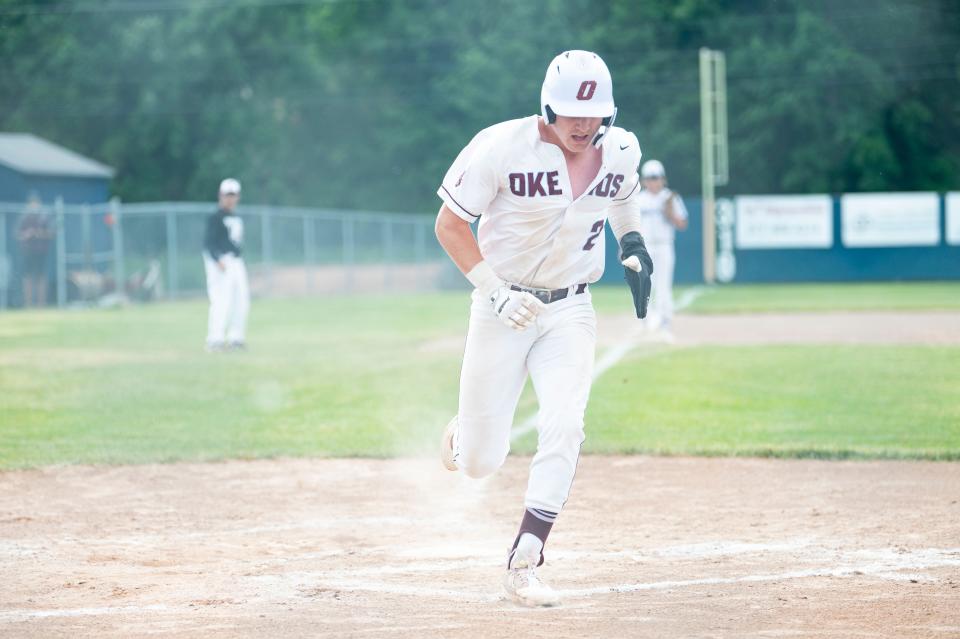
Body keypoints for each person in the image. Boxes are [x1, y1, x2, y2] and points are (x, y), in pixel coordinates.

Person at [434, 50, 653, 607]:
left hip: (571, 308)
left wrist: (632, 244)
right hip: (501, 305)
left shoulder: (621, 151)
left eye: (595, 113)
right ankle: (464, 434)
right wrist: (495, 290)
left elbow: (625, 202)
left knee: (565, 422)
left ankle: (526, 557)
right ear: (548, 107)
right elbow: (450, 223)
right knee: (482, 463)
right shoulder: (500, 146)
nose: (583, 125)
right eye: (572, 113)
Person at [636, 159, 688, 336]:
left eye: (656, 177)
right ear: (643, 180)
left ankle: (665, 322)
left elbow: (682, 223)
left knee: (664, 285)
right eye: (649, 178)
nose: (653, 181)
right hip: (644, 247)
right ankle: (644, 322)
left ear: (663, 179)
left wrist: (670, 212)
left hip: (665, 245)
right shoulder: (638, 199)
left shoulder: (669, 197)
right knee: (644, 284)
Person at [203, 178, 250, 352]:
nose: (230, 199)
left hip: (236, 261)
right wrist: (217, 259)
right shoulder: (215, 217)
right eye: (227, 195)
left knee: (241, 300)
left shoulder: (236, 217)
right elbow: (208, 243)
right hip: (221, 262)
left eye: (233, 195)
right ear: (220, 196)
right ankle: (215, 338)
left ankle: (236, 338)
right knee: (221, 300)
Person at [16, 193, 54, 308]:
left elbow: (51, 233)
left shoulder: (44, 217)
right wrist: (27, 234)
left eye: (36, 204)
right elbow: (18, 234)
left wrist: (39, 233)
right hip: (27, 252)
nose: (34, 207)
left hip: (41, 252)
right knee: (27, 277)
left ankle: (40, 304)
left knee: (41, 277)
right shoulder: (24, 217)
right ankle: (28, 304)